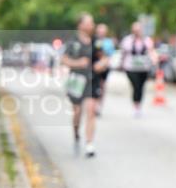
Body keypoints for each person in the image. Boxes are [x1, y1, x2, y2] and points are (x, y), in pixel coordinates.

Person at [61, 13, 110, 157]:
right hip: (76, 81)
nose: (92, 25)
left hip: (92, 80)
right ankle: (76, 132)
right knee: (77, 112)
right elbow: (63, 59)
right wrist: (78, 63)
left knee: (91, 111)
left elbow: (104, 58)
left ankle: (89, 143)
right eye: (89, 22)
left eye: (92, 22)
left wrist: (101, 64)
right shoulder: (73, 42)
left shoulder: (96, 42)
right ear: (80, 25)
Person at [120, 21, 158, 117]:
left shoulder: (147, 40)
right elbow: (123, 53)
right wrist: (121, 64)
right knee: (136, 86)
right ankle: (136, 106)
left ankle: (139, 105)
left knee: (141, 87)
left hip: (143, 68)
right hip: (131, 68)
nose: (137, 32)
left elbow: (152, 51)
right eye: (135, 30)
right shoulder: (127, 40)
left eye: (139, 30)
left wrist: (155, 60)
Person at [94, 24, 116, 116]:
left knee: (102, 86)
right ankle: (93, 105)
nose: (101, 33)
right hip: (94, 67)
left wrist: (104, 63)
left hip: (105, 68)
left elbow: (110, 56)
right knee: (94, 85)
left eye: (103, 31)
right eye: (100, 31)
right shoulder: (94, 41)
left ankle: (99, 106)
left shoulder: (108, 42)